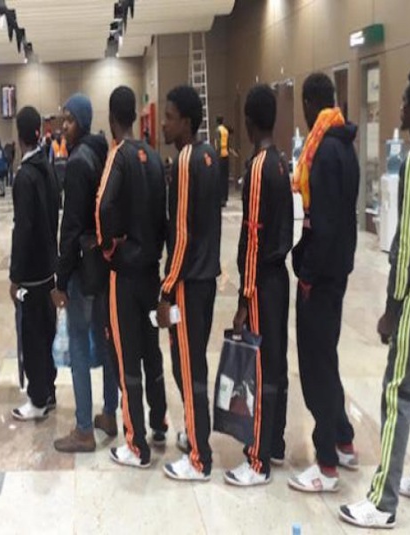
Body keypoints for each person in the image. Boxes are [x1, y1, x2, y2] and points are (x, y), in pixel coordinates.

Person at [340, 66, 410, 529]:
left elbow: (404, 242)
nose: (400, 107)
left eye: (406, 100)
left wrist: (391, 308)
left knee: (397, 390)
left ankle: (382, 501)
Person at [287, 72, 360, 493]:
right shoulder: (343, 144)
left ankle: (327, 463)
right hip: (338, 267)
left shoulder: (326, 151)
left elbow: (326, 223)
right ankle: (344, 438)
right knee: (326, 357)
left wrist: (308, 273)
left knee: (315, 364)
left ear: (310, 103)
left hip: (323, 273)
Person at [224, 85, 293, 487]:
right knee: (277, 364)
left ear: (248, 122)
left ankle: (257, 460)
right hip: (279, 278)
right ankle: (276, 441)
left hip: (262, 282)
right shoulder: (281, 163)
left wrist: (244, 297)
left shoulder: (258, 168)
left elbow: (252, 239)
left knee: (263, 368)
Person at [97, 86, 167, 468]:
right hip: (151, 272)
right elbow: (164, 214)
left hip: (124, 275)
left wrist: (110, 247)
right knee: (151, 350)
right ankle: (159, 422)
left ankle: (136, 445)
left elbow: (103, 206)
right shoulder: (153, 156)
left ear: (112, 118)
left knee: (126, 357)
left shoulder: (118, 155)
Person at [157, 85, 222, 481]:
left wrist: (167, 288)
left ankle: (199, 458)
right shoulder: (209, 156)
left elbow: (180, 234)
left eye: (169, 117)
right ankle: (197, 434)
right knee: (193, 364)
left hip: (187, 282)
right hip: (207, 279)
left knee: (188, 367)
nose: (163, 124)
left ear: (185, 121)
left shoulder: (184, 161)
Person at [52, 93, 119, 453]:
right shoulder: (102, 152)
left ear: (82, 121)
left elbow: (71, 226)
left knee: (78, 341)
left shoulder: (78, 161)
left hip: (82, 267)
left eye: (69, 120)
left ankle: (83, 429)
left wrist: (60, 279)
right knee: (105, 340)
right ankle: (109, 413)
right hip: (103, 264)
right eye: (63, 119)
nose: (64, 126)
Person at [10, 106, 61, 421]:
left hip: (30, 272)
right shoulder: (49, 169)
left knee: (32, 335)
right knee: (47, 331)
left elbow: (23, 229)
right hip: (48, 267)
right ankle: (49, 390)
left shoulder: (24, 177)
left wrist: (15, 275)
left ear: (19, 136)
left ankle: (38, 398)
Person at [215, 116, 230, 207]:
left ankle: (221, 199)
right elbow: (227, 143)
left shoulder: (218, 130)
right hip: (226, 155)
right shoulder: (226, 130)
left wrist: (216, 156)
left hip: (220, 156)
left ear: (217, 122)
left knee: (220, 178)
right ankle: (225, 197)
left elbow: (218, 144)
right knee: (225, 177)